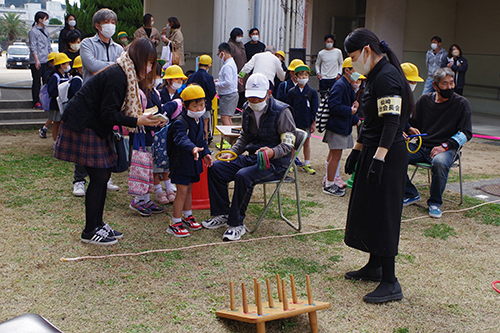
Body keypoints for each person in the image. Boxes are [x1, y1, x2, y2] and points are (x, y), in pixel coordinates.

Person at [54, 38, 161, 245]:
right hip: (83, 124)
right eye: (148, 62)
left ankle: (98, 224)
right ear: (138, 59)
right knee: (100, 176)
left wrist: (140, 118)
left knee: (102, 176)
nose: (149, 69)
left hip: (93, 125)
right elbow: (108, 113)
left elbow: (109, 112)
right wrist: (138, 120)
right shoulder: (118, 75)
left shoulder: (124, 72)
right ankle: (89, 231)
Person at [342, 28, 413, 303]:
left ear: (368, 51)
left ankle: (390, 281)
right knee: (369, 209)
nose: (353, 62)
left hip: (389, 155)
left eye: (354, 56)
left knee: (385, 213)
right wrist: (357, 151)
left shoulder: (388, 78)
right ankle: (375, 265)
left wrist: (379, 158)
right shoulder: (372, 76)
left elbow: (391, 123)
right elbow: (370, 122)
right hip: (373, 150)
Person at [202, 73, 297, 242]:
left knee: (243, 175)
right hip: (253, 157)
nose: (254, 102)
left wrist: (272, 152)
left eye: (257, 98)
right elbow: (245, 136)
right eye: (250, 98)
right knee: (217, 168)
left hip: (275, 164)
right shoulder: (247, 108)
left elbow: (288, 145)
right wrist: (233, 153)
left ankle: (236, 223)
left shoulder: (282, 111)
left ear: (268, 94)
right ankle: (221, 213)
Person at [404, 67, 472, 218]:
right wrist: (408, 130)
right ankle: (410, 192)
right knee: (395, 153)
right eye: (445, 84)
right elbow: (411, 123)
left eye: (452, 83)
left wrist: (445, 146)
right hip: (421, 146)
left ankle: (435, 202)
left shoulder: (462, 103)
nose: (450, 87)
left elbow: (466, 132)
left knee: (440, 163)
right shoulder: (424, 100)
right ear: (435, 85)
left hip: (446, 149)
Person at [79, 8, 123, 192]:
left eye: (113, 22)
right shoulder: (87, 43)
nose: (110, 25)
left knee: (107, 139)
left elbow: (123, 69)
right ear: (97, 25)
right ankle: (79, 180)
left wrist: (109, 67)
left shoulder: (118, 48)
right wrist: (114, 66)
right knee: (85, 141)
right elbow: (93, 66)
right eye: (107, 22)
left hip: (110, 100)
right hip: (90, 100)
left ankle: (106, 178)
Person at [167, 85, 212, 237]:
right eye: (195, 105)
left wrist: (205, 153)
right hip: (181, 162)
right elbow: (181, 139)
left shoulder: (198, 120)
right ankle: (175, 222)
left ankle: (188, 215)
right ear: (185, 105)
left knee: (189, 190)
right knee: (182, 192)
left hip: (194, 162)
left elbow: (202, 141)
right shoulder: (180, 122)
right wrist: (192, 148)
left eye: (202, 105)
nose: (199, 108)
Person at [322, 57, 361, 196]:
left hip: (340, 126)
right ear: (347, 70)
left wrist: (354, 109)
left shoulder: (346, 84)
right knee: (336, 156)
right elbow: (333, 106)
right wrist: (350, 111)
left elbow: (349, 104)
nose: (357, 73)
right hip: (337, 126)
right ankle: (329, 184)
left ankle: (329, 180)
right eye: (355, 69)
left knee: (334, 155)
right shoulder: (340, 85)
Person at [284, 64, 318, 174]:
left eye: (306, 75)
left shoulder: (312, 92)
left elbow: (314, 108)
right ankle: (291, 162)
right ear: (296, 76)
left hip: (307, 121)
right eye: (301, 75)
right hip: (294, 122)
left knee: (307, 142)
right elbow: (288, 107)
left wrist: (313, 122)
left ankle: (307, 163)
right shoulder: (292, 92)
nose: (303, 77)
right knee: (293, 143)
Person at [186, 55, 216, 140]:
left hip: (191, 106)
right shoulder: (209, 77)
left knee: (192, 126)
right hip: (204, 106)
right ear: (209, 66)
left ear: (198, 64)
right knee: (205, 126)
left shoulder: (191, 76)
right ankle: (205, 145)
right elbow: (212, 92)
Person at [29, 11, 52, 110]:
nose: (47, 21)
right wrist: (36, 60)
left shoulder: (46, 30)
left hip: (46, 59)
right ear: (40, 19)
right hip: (37, 61)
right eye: (45, 19)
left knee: (46, 80)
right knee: (37, 82)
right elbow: (33, 46)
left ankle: (45, 100)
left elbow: (49, 45)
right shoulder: (33, 31)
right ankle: (36, 101)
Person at [46, 53, 71, 142]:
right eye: (67, 63)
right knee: (56, 122)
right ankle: (55, 140)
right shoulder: (55, 77)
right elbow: (51, 91)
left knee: (61, 122)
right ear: (61, 65)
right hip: (56, 103)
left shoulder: (66, 75)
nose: (68, 65)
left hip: (63, 102)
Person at [215, 42, 238, 126]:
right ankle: (229, 138)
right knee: (227, 117)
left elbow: (228, 82)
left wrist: (216, 84)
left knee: (225, 118)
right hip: (230, 94)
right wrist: (217, 81)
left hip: (227, 95)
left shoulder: (227, 66)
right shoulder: (231, 63)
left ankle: (227, 138)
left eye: (219, 54)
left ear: (222, 53)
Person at [39, 51, 58, 139]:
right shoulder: (51, 73)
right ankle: (44, 128)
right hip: (51, 98)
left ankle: (44, 128)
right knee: (54, 116)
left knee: (54, 117)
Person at [227, 27, 247, 109]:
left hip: (243, 70)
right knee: (237, 89)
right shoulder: (230, 45)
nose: (240, 37)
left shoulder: (241, 44)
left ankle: (241, 106)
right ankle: (237, 107)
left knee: (243, 88)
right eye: (239, 35)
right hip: (236, 69)